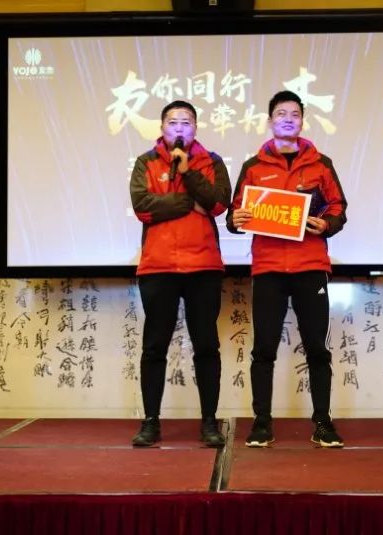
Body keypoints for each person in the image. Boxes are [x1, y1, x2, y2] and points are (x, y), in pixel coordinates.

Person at [227, 90, 348, 448]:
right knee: (264, 349)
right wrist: (236, 219)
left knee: (317, 348)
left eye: (294, 114)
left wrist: (327, 224)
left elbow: (338, 207)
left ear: (302, 121)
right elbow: (235, 215)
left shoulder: (321, 164)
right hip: (268, 269)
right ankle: (262, 423)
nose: (288, 119)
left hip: (310, 265)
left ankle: (323, 422)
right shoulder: (253, 166)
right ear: (270, 121)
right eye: (281, 113)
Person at [129, 100, 231, 448]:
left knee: (206, 346)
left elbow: (218, 204)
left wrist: (187, 173)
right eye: (173, 122)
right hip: (159, 266)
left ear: (196, 128)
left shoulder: (211, 162)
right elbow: (143, 207)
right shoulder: (146, 162)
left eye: (186, 122)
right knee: (154, 346)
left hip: (203, 267)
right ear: (162, 128)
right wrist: (188, 203)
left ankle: (209, 422)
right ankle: (150, 422)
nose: (179, 128)